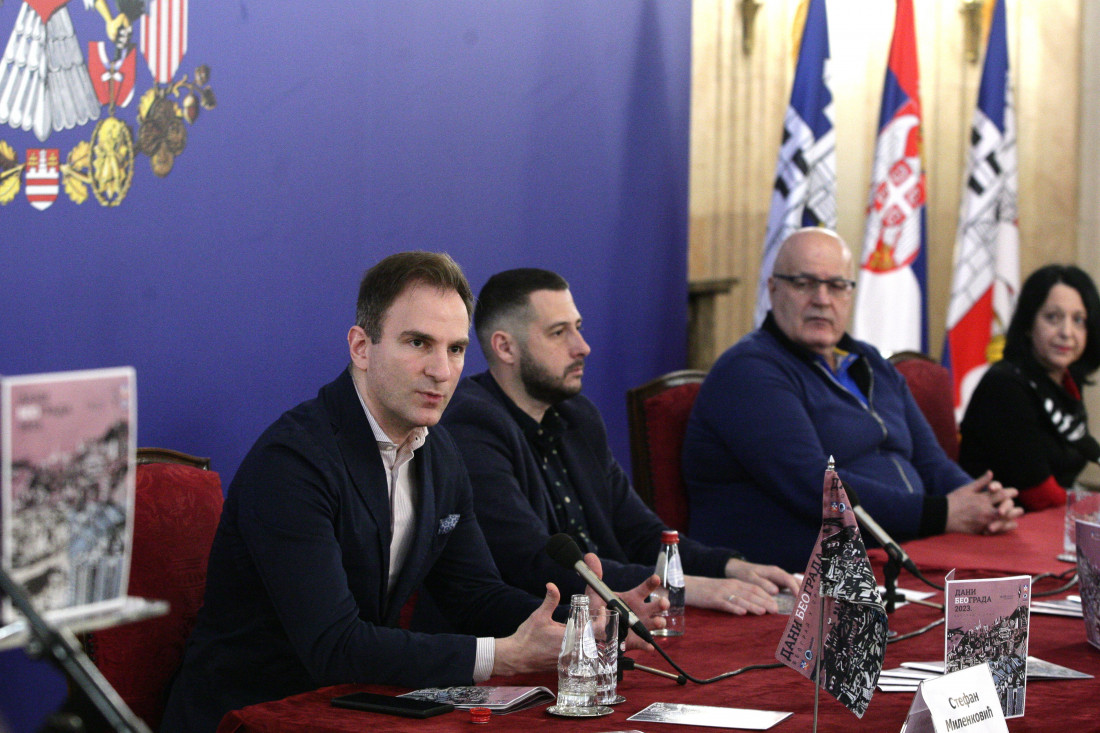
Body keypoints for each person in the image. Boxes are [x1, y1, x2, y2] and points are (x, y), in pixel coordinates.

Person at [161, 253, 661, 732]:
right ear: (361, 347)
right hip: (254, 714)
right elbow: (334, 645)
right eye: (419, 343)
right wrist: (504, 655)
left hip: (357, 705)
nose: (441, 371)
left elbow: (473, 595)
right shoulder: (294, 461)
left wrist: (580, 624)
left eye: (455, 349)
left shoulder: (438, 451)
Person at [439, 268, 799, 618]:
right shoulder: (472, 424)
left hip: (614, 614)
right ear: (505, 347)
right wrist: (684, 587)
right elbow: (532, 563)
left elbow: (640, 533)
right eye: (558, 333)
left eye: (578, 328)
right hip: (533, 627)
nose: (582, 347)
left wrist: (729, 567)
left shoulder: (577, 416)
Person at [682, 228, 1022, 571]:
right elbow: (815, 487)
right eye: (804, 283)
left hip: (903, 549)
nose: (822, 299)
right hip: (801, 574)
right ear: (773, 289)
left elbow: (931, 462)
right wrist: (941, 514)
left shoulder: (871, 362)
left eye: (836, 286)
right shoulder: (749, 370)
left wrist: (982, 501)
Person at [959, 264, 1100, 511]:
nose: (1067, 332)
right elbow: (1039, 494)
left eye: (1078, 320)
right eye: (1052, 317)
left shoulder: (1065, 381)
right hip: (1000, 522)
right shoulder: (1005, 386)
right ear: (1028, 323)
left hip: (1046, 518)